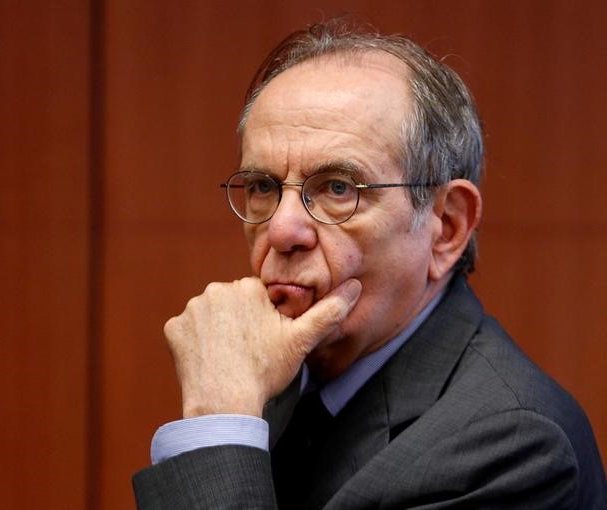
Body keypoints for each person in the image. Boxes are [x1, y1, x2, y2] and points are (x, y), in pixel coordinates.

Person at [133, 19, 606, 509]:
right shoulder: (273, 374)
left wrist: (218, 426)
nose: (281, 230)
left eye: (338, 188)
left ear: (446, 226)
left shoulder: (516, 447)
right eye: (263, 187)